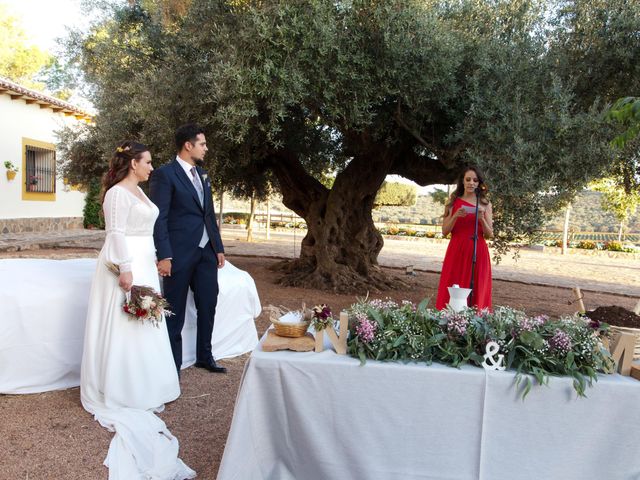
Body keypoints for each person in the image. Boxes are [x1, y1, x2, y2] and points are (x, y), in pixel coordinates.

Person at [81, 141, 195, 479]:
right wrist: (126, 268)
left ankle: (147, 384)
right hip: (125, 264)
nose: (151, 168)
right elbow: (115, 232)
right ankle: (122, 387)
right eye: (147, 162)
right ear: (133, 163)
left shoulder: (140, 192)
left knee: (145, 323)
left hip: (144, 263)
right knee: (124, 323)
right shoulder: (117, 193)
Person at [150, 123, 226, 374]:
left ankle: (205, 356)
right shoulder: (165, 174)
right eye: (202, 144)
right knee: (175, 311)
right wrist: (165, 255)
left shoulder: (203, 175)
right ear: (188, 145)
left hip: (206, 253)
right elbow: (159, 218)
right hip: (178, 254)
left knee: (208, 305)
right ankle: (173, 366)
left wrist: (218, 247)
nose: (206, 148)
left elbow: (208, 214)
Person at [435, 166, 493, 311]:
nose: (471, 183)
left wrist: (482, 220)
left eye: (475, 180)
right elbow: (444, 231)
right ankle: (451, 320)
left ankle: (475, 322)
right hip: (457, 250)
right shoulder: (453, 202)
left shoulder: (485, 204)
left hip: (477, 250)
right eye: (468, 179)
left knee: (477, 286)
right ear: (463, 181)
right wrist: (455, 216)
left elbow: (489, 234)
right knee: (454, 283)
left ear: (479, 183)